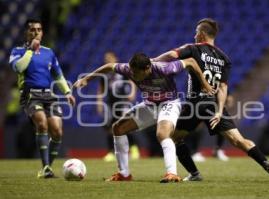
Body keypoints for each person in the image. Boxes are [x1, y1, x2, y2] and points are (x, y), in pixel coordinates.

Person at [153, 18, 269, 181]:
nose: (195, 35)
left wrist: (153, 61)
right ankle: (265, 163)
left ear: (202, 34)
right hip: (213, 105)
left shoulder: (193, 49)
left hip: (195, 104)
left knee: (173, 138)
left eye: (196, 32)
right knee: (239, 141)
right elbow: (223, 88)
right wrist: (218, 111)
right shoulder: (224, 58)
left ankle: (195, 174)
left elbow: (171, 55)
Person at [73, 53, 214, 183]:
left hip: (169, 103)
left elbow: (190, 61)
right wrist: (87, 78)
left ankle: (172, 173)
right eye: (132, 72)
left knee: (162, 133)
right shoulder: (129, 69)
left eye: (136, 73)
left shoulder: (164, 68)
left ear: (147, 68)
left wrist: (205, 84)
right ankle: (124, 174)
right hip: (150, 105)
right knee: (118, 128)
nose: (133, 75)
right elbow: (110, 67)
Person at [9, 19, 75, 178]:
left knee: (57, 131)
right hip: (30, 94)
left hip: (48, 95)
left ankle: (48, 168)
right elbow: (18, 68)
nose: (36, 32)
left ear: (42, 32)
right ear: (27, 32)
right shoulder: (17, 51)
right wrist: (30, 51)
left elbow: (58, 75)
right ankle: (45, 166)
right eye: (32, 30)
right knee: (42, 123)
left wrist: (67, 92)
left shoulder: (49, 52)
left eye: (39, 29)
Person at [97, 51, 140, 161]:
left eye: (109, 57)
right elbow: (100, 89)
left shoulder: (121, 70)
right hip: (111, 103)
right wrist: (99, 103)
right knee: (110, 128)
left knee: (125, 124)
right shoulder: (104, 73)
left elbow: (132, 80)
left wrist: (132, 92)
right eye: (106, 58)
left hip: (123, 101)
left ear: (115, 58)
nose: (107, 60)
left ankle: (134, 149)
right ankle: (111, 152)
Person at [187, 95, 234, 162]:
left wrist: (227, 94)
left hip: (213, 99)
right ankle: (192, 152)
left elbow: (222, 87)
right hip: (201, 98)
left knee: (221, 123)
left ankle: (217, 150)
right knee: (197, 125)